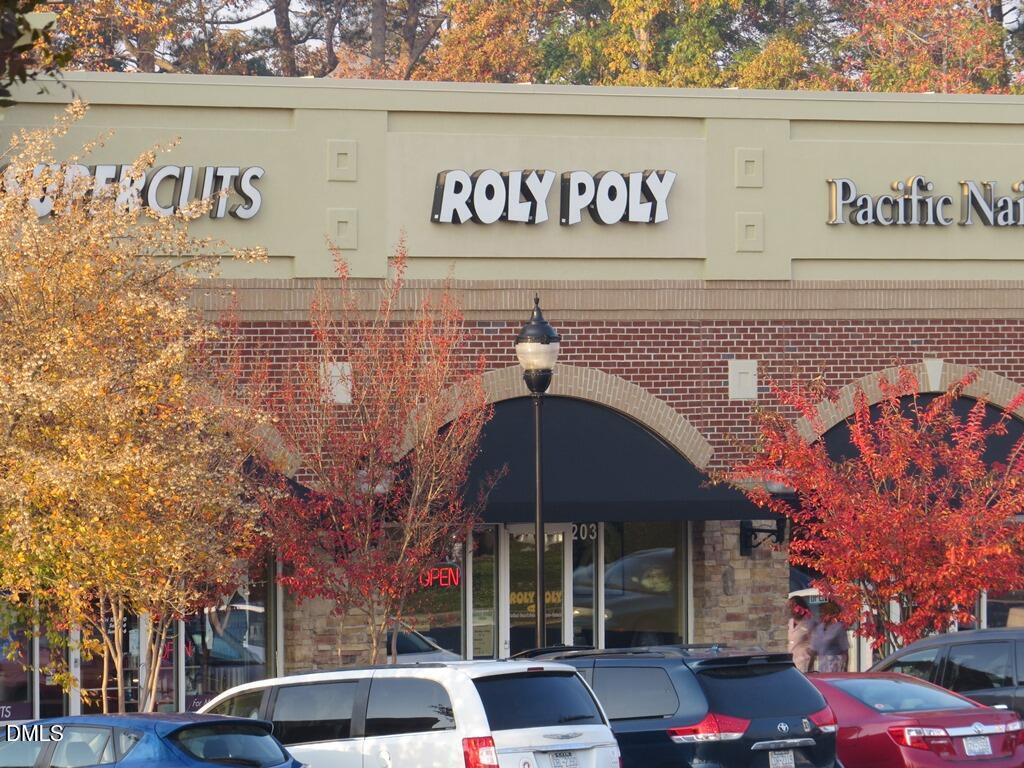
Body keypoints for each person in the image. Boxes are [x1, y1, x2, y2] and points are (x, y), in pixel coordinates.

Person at [811, 601, 849, 672]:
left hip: (835, 666)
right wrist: (810, 667)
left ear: (831, 614)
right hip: (822, 666)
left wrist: (845, 668)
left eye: (824, 614)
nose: (821, 616)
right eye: (820, 613)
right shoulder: (819, 628)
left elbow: (845, 651)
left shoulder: (839, 628)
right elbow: (814, 650)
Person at [787, 596, 816, 673]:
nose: (791, 610)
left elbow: (813, 646)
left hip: (804, 662)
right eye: (789, 607)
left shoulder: (809, 622)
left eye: (793, 606)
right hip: (792, 661)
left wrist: (810, 666)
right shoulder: (790, 622)